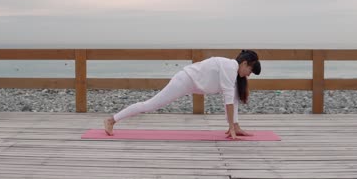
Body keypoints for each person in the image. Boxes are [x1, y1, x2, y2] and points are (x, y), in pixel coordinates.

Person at [104, 50, 261, 139]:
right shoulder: (230, 67)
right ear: (244, 63)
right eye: (250, 70)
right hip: (185, 80)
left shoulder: (232, 71)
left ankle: (237, 126)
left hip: (193, 83)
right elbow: (227, 101)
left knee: (233, 94)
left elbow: (232, 99)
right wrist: (230, 127)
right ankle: (112, 120)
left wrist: (235, 126)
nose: (249, 75)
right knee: (151, 105)